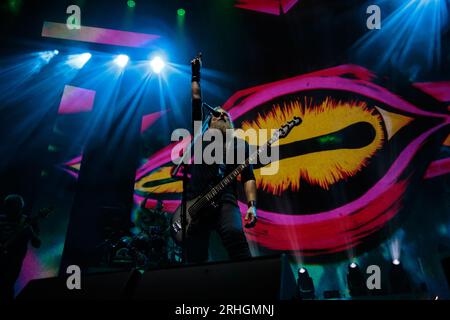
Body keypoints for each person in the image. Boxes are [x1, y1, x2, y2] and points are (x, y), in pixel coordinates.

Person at [183, 55, 257, 263]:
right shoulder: (201, 136)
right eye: (217, 115)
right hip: (195, 200)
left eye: (226, 115)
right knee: (194, 252)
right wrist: (195, 75)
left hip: (225, 200)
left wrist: (252, 205)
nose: (222, 116)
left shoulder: (238, 145)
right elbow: (196, 101)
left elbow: (248, 175)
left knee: (235, 238)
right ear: (209, 121)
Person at [0, 194, 41, 302]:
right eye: (8, 206)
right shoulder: (1, 219)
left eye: (13, 206)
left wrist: (31, 233)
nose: (10, 209)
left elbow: (37, 244)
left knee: (7, 287)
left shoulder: (28, 221)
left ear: (20, 207)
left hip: (13, 261)